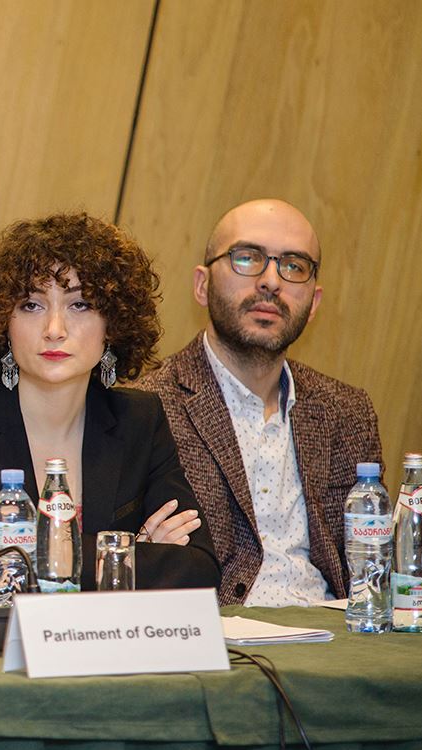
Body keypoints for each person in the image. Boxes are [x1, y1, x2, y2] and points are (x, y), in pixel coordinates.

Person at [0, 212, 220, 614]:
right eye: (31, 305)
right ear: (3, 322)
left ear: (113, 324)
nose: (54, 328)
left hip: (106, 644)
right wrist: (126, 553)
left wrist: (19, 555)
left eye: (80, 304)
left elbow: (198, 569)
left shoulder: (139, 420)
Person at [134, 199, 381, 606]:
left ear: (314, 302)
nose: (270, 282)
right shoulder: (148, 405)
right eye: (247, 258)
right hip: (220, 631)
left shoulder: (346, 411)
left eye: (294, 266)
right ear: (201, 285)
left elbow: (370, 560)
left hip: (334, 627)